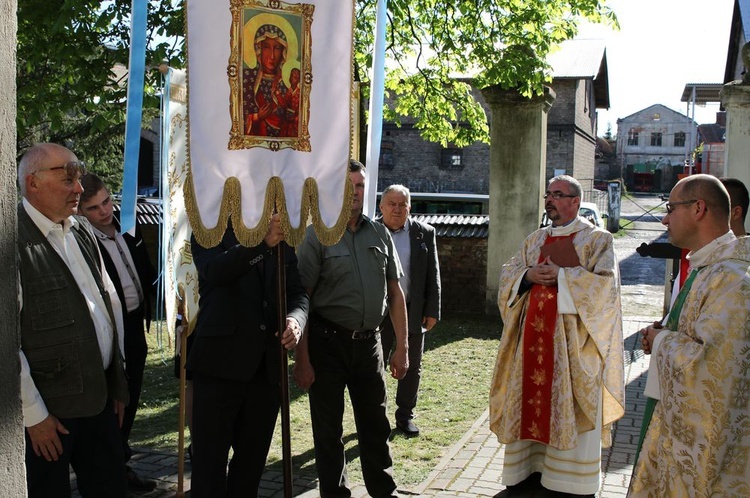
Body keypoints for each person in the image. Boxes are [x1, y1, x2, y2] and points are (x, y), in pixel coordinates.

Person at [489, 175, 625, 497]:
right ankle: (527, 472)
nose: (549, 200)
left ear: (575, 202)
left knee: (566, 409)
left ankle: (569, 483)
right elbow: (508, 274)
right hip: (530, 346)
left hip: (572, 351)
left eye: (558, 194)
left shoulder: (598, 241)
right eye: (548, 194)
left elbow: (607, 290)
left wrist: (564, 279)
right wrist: (527, 275)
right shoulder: (534, 240)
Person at [17, 143, 130, 497]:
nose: (79, 188)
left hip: (99, 403)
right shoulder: (12, 242)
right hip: (49, 417)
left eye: (78, 177)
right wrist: (33, 416)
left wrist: (116, 382)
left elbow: (107, 307)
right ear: (32, 183)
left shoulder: (80, 231)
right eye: (68, 178)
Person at [294, 159, 409, 498]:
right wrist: (302, 359)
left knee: (375, 423)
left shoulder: (379, 232)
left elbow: (395, 292)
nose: (355, 192)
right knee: (329, 429)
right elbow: (302, 300)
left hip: (370, 344)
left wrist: (401, 346)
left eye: (360, 186)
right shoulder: (316, 235)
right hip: (327, 343)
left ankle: (383, 490)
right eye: (347, 186)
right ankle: (334, 493)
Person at [631, 174, 750, 496]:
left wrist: (661, 342)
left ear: (698, 208)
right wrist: (662, 334)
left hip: (709, 451)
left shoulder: (734, 278)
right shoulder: (708, 267)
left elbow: (713, 365)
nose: (664, 218)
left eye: (671, 208)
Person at [187, 215, 309, 498]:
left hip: (266, 372)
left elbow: (297, 293)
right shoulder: (210, 228)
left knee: (250, 468)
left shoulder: (283, 236)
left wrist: (295, 320)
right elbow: (216, 272)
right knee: (209, 468)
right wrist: (260, 243)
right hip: (218, 367)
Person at [78, 173, 157, 492]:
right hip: (111, 331)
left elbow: (146, 269)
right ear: (81, 212)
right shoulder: (84, 243)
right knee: (116, 400)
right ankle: (114, 468)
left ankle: (121, 461)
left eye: (107, 201)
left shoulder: (128, 227)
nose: (104, 211)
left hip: (136, 326)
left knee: (132, 396)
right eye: (94, 207)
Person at [378, 184, 441, 437]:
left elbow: (432, 274)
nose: (397, 209)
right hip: (377, 312)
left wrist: (433, 309)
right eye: (392, 204)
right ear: (381, 207)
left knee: (411, 365)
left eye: (403, 204)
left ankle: (405, 416)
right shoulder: (369, 230)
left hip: (412, 311)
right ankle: (375, 415)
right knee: (375, 365)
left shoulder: (424, 233)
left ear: (410, 207)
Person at [243, 23, 291, 137]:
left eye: (277, 48)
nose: (272, 56)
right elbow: (237, 119)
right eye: (266, 47)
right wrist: (257, 117)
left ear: (283, 52)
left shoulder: (286, 81)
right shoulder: (248, 79)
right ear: (259, 49)